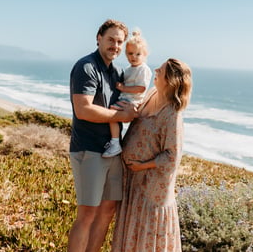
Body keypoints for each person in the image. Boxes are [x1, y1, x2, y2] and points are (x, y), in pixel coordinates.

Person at [68, 19, 137, 252]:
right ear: (99, 38)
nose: (115, 46)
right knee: (87, 214)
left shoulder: (116, 71)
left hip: (113, 151)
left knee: (107, 211)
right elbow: (83, 109)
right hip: (89, 150)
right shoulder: (86, 67)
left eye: (120, 42)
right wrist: (121, 117)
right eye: (111, 39)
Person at [111, 58, 193, 252]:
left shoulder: (172, 114)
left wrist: (142, 165)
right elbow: (141, 117)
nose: (155, 69)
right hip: (134, 182)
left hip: (151, 189)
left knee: (145, 238)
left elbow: (172, 157)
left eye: (161, 70)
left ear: (170, 80)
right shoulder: (152, 94)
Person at [103, 29, 152, 158]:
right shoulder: (129, 69)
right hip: (126, 98)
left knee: (112, 113)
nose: (133, 57)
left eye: (138, 54)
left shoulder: (143, 69)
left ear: (145, 54)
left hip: (133, 101)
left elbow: (141, 88)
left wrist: (123, 88)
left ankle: (115, 143)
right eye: (130, 53)